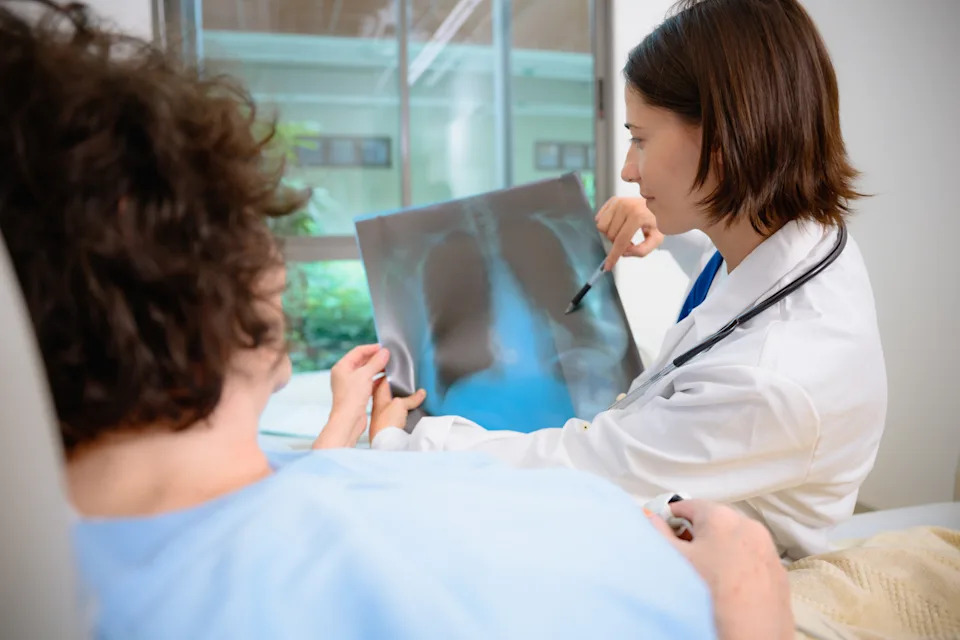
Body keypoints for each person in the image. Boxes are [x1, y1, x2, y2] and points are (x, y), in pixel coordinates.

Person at [0, 2, 801, 639]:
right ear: (230, 288)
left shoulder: (51, 575)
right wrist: (753, 618)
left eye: (639, 139)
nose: (628, 165)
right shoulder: (538, 555)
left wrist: (352, 432)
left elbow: (248, 509)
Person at [371, 0, 888, 560]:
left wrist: (402, 443)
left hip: (716, 575)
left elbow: (584, 470)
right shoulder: (806, 239)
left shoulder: (773, 378)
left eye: (641, 139)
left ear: (723, 140)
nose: (627, 170)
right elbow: (738, 294)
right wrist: (679, 228)